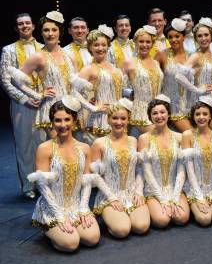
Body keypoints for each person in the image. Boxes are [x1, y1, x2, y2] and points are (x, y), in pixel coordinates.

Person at [27, 97, 101, 252]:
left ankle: (65, 231)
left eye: (67, 119)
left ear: (74, 121)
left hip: (75, 206)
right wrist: (59, 215)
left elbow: (87, 181)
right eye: (58, 120)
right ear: (52, 122)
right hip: (52, 207)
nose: (63, 125)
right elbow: (43, 186)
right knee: (71, 243)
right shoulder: (44, 148)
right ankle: (47, 229)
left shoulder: (85, 148)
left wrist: (83, 208)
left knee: (92, 238)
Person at [9, 11, 77, 139]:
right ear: (41, 32)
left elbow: (75, 82)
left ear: (60, 31)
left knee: (67, 150)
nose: (50, 34)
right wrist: (37, 95)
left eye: (54, 30)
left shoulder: (69, 54)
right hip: (50, 108)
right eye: (46, 30)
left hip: (70, 107)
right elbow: (15, 79)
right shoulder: (38, 56)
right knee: (58, 148)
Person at [90, 98, 150, 237]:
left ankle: (123, 217)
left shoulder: (133, 141)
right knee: (122, 231)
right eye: (115, 118)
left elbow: (139, 169)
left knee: (141, 227)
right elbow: (95, 176)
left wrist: (139, 192)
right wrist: (111, 198)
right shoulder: (99, 143)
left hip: (132, 193)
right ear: (108, 120)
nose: (119, 122)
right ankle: (112, 218)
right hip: (109, 195)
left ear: (128, 120)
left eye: (123, 118)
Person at [1, 13, 45, 198]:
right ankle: (28, 186)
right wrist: (24, 99)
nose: (24, 26)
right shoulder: (9, 50)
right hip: (22, 105)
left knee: (43, 144)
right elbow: (5, 80)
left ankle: (44, 183)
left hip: (44, 102)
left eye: (27, 23)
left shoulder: (44, 48)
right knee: (24, 144)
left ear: (34, 26)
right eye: (21, 24)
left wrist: (43, 97)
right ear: (16, 28)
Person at [137, 95, 190, 228]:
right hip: (153, 189)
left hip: (174, 187)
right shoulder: (144, 138)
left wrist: (175, 196)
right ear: (150, 117)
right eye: (155, 113)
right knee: (162, 220)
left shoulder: (179, 137)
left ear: (168, 114)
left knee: (182, 218)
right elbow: (146, 172)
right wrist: (162, 199)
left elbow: (182, 170)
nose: (159, 116)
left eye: (162, 112)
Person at [174, 18, 212, 137]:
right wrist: (197, 89)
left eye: (206, 35)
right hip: (201, 102)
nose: (203, 38)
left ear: (211, 35)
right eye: (200, 36)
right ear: (195, 38)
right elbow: (178, 76)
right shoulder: (195, 56)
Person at [71, 25, 124, 144]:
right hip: (98, 120)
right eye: (96, 45)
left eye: (103, 45)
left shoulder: (114, 68)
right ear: (90, 47)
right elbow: (74, 93)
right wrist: (93, 108)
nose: (100, 48)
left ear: (108, 46)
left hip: (116, 118)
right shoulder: (89, 69)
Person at [181, 96, 212, 226]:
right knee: (205, 219)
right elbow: (188, 168)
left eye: (205, 114)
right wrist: (199, 197)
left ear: (210, 116)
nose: (201, 117)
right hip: (195, 186)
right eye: (197, 114)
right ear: (193, 117)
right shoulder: (187, 135)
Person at [123, 25, 163, 135]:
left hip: (157, 112)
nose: (145, 45)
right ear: (135, 42)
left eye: (148, 42)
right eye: (141, 41)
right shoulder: (130, 62)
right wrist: (132, 95)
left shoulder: (156, 63)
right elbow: (122, 89)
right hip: (140, 112)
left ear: (152, 43)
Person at [156, 18, 192, 132]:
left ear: (184, 37)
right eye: (170, 37)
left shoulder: (192, 55)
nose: (173, 40)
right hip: (172, 106)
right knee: (191, 135)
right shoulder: (162, 55)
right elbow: (152, 76)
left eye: (177, 36)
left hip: (190, 104)